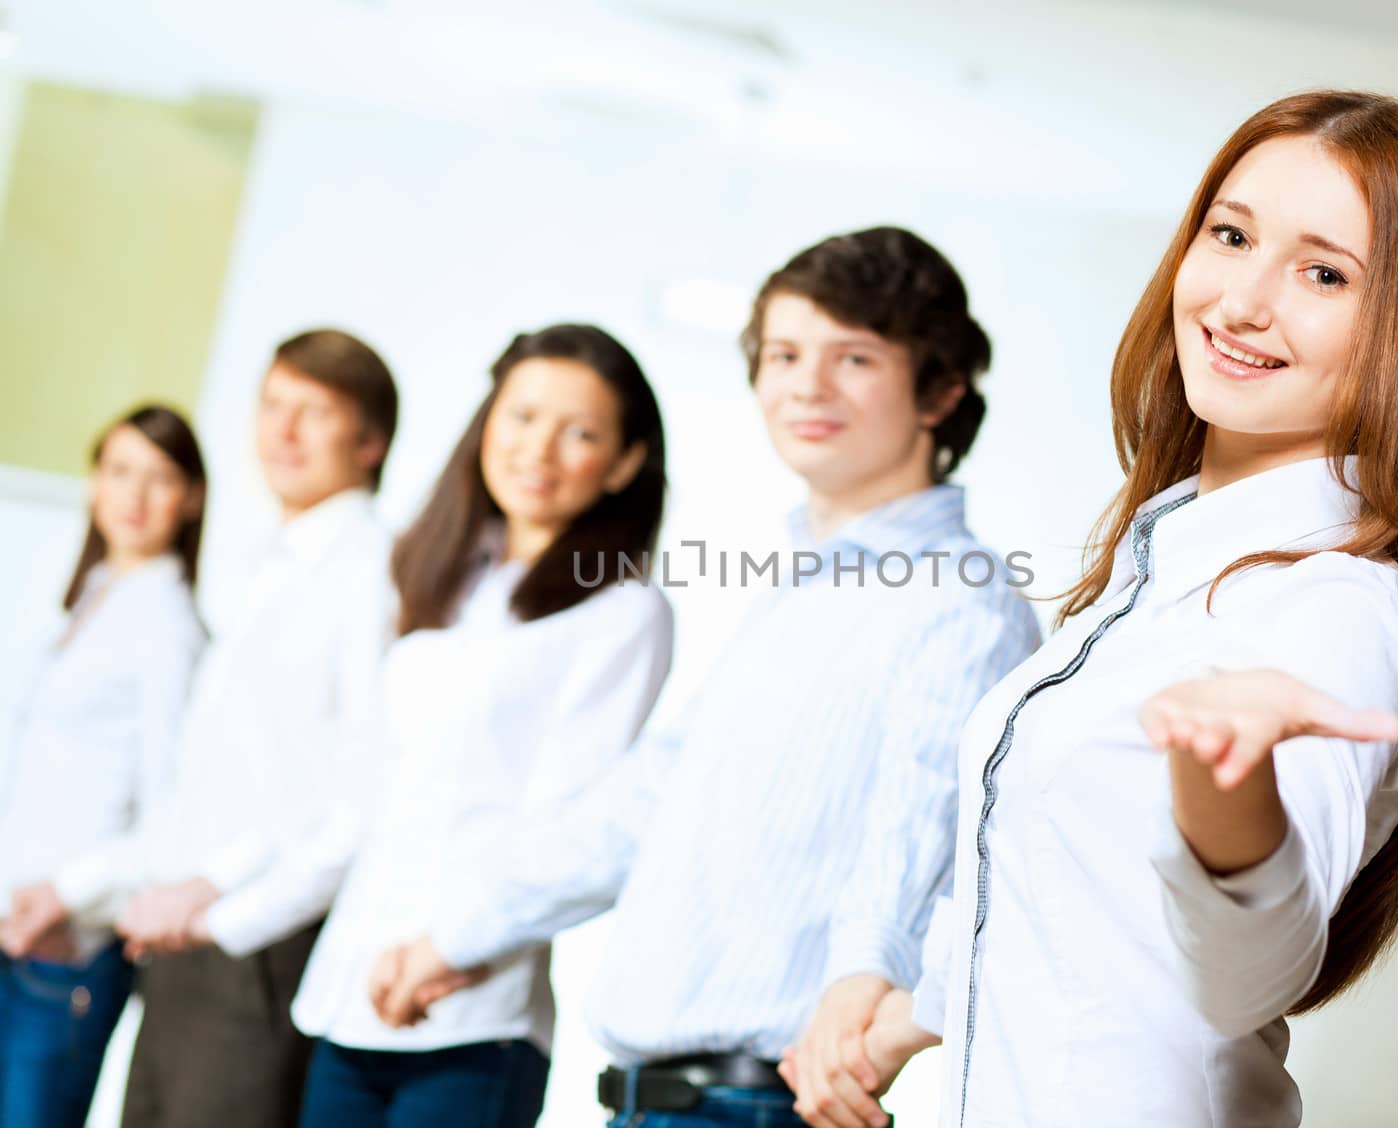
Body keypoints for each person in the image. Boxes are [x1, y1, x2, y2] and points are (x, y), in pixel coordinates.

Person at [790, 91, 1398, 1128]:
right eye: (1229, 236)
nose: (1240, 301)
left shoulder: (1340, 606)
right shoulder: (1153, 569)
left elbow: (1248, 973)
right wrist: (900, 1018)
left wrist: (1229, 793)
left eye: (1323, 272)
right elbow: (1070, 892)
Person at [369, 227, 1041, 1127]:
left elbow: (916, 826)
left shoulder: (960, 602)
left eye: (854, 357)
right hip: (665, 1101)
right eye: (786, 353)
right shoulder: (804, 587)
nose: (807, 383)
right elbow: (649, 798)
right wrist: (462, 934)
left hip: (753, 1103)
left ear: (942, 390)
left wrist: (865, 982)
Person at [274, 324, 673, 1127]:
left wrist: (448, 946)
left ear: (626, 463)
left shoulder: (623, 611)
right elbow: (365, 791)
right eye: (521, 416)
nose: (540, 450)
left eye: (582, 433)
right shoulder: (436, 578)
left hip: (468, 1018)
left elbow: (573, 829)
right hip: (349, 995)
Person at [116, 329, 400, 1128]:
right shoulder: (271, 567)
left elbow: (355, 794)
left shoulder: (372, 572)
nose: (282, 431)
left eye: (313, 412)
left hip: (253, 950)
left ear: (369, 441)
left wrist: (215, 898)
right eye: (272, 405)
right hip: (181, 940)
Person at [0, 405, 208, 1128]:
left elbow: (171, 813)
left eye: (159, 479)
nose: (134, 496)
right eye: (119, 471)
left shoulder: (170, 630)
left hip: (64, 944)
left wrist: (67, 895)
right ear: (93, 481)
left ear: (192, 499)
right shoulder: (82, 600)